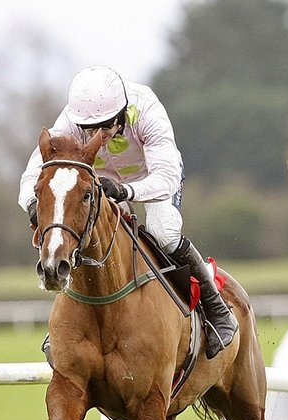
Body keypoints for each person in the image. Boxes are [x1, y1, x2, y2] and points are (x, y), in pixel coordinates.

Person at [18, 65, 237, 359]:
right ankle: (67, 323)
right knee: (89, 237)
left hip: (153, 175)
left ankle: (216, 310)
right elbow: (35, 172)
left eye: (105, 126)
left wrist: (126, 191)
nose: (98, 135)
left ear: (121, 114)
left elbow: (166, 178)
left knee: (164, 233)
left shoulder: (147, 111)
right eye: (90, 129)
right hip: (101, 179)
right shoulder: (71, 119)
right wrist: (32, 205)